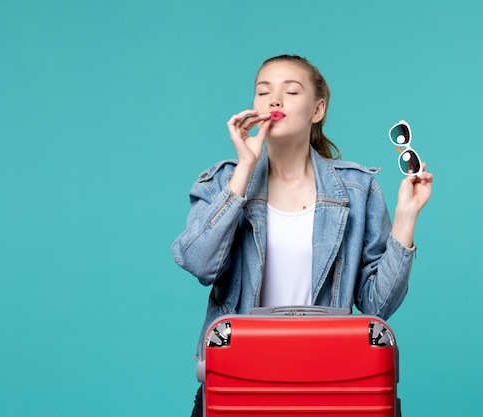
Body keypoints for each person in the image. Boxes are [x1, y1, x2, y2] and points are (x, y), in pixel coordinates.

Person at [171, 54, 434, 416]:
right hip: (240, 381)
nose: (274, 100)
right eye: (264, 92)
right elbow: (199, 264)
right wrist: (245, 169)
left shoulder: (358, 189)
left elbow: (377, 307)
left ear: (317, 109)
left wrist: (406, 216)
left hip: (331, 382)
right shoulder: (223, 181)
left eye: (291, 91)